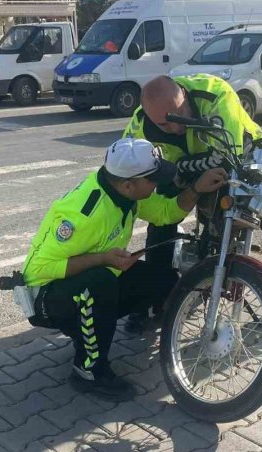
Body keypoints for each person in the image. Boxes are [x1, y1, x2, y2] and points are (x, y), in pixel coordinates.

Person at [22, 137, 227, 398]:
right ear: (130, 184)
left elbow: (166, 213)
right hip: (48, 299)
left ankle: (93, 328)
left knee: (164, 280)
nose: (157, 184)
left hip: (90, 278)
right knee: (100, 283)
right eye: (152, 179)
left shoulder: (124, 192)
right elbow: (36, 271)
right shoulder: (84, 215)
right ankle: (88, 370)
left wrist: (196, 188)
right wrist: (103, 259)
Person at [124, 74, 262, 334]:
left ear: (184, 95)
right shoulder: (140, 122)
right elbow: (130, 167)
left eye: (180, 114)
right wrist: (182, 178)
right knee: (161, 219)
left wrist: (177, 169)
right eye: (164, 126)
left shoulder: (215, 95)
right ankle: (158, 300)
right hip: (189, 170)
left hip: (240, 157)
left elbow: (226, 158)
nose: (176, 128)